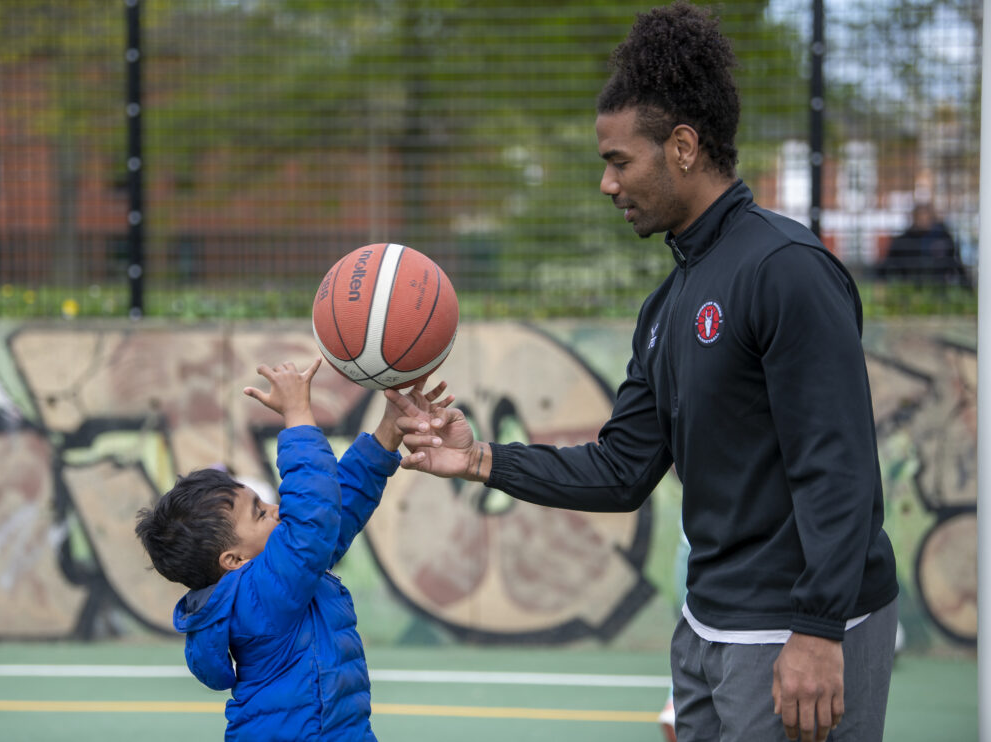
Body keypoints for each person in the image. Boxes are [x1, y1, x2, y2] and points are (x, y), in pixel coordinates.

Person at [389, 4, 899, 741]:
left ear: (683, 148)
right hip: (706, 629)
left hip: (796, 633)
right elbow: (622, 470)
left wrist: (818, 630)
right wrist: (478, 459)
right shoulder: (669, 302)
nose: (607, 184)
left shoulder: (786, 271)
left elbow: (840, 468)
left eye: (619, 160)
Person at [135, 358, 449, 741]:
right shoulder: (257, 596)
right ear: (234, 560)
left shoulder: (286, 573)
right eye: (260, 513)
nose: (277, 508)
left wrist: (387, 434)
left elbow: (334, 513)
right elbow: (313, 516)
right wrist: (298, 415)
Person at [877, 202, 969, 286]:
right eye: (920, 217)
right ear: (914, 218)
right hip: (911, 287)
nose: (923, 221)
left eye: (926, 217)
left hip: (938, 287)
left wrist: (967, 285)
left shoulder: (942, 236)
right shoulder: (904, 241)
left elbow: (955, 262)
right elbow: (887, 264)